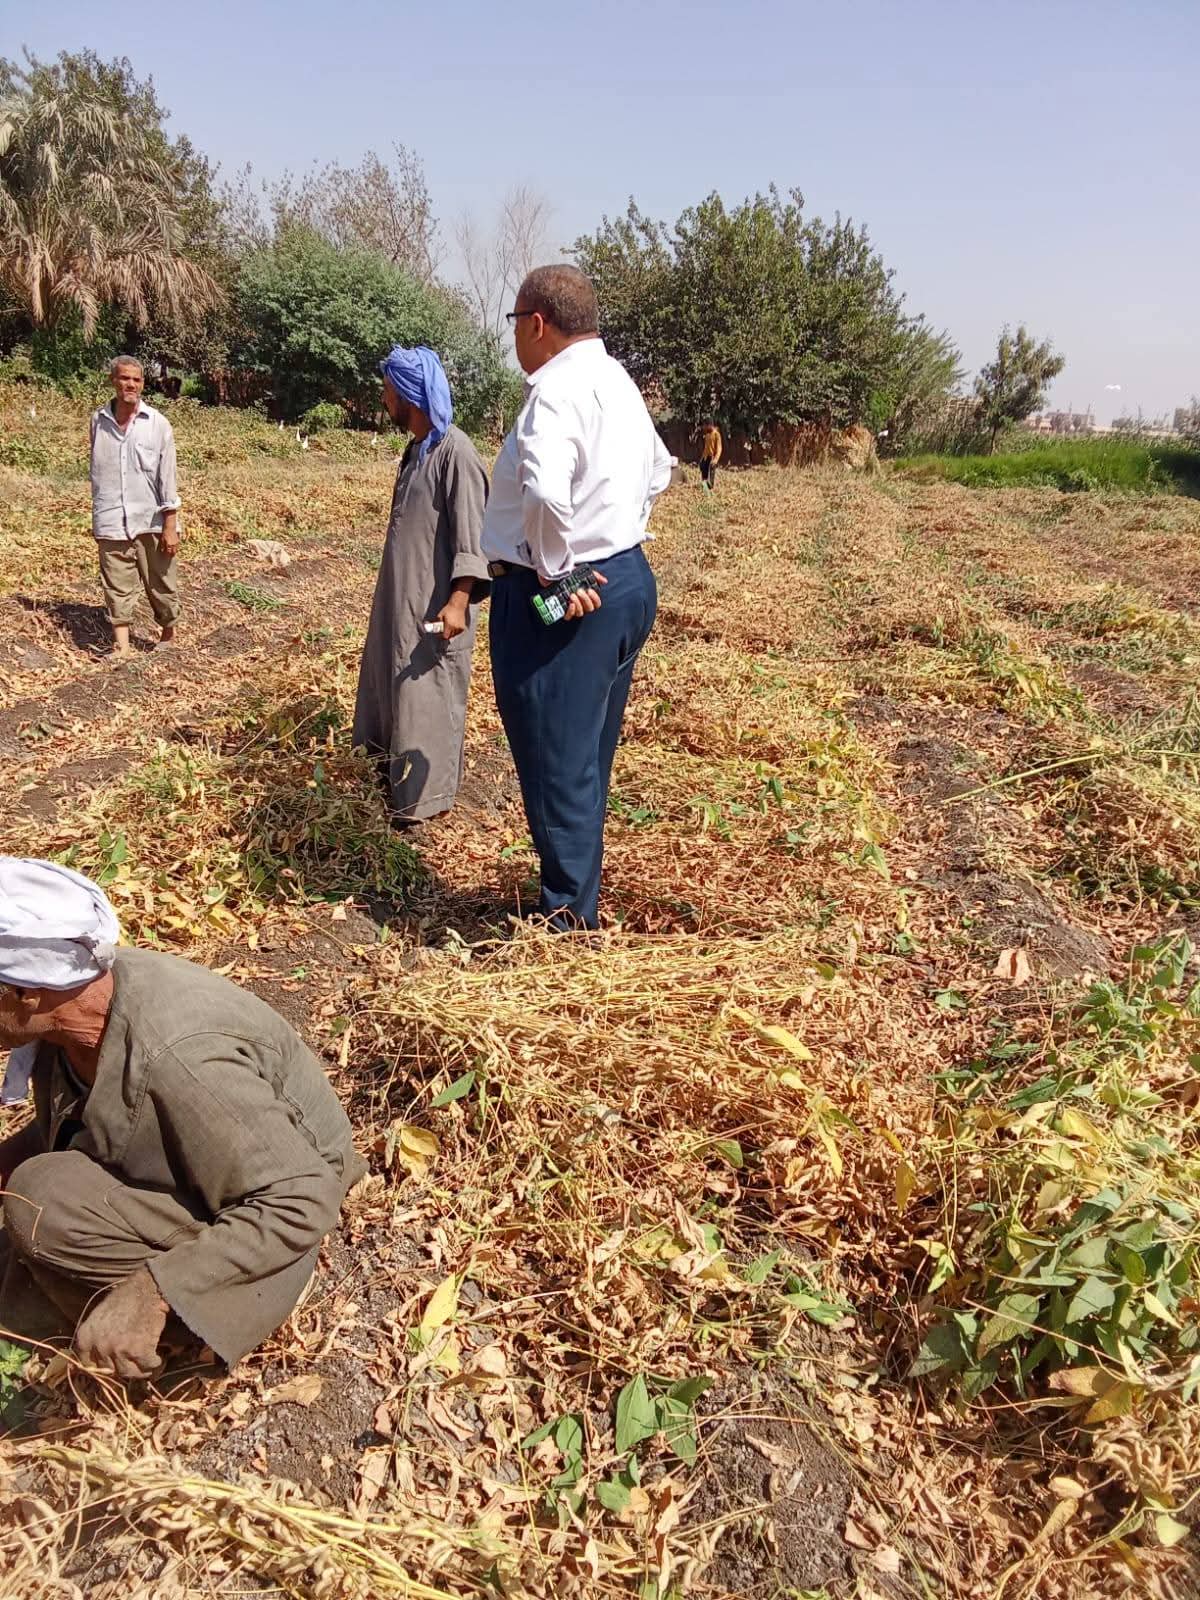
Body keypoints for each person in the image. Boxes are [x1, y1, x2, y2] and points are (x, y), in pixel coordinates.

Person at [0, 857, 366, 1376]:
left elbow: (301, 1197)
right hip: (229, 1174)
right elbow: (77, 1115)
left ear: (23, 992)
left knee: (40, 1203)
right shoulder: (74, 1006)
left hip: (277, 1232)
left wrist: (155, 1291)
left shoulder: (179, 1060)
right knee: (29, 1186)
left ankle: (175, 1342)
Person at [482, 265, 672, 930]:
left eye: (513, 324)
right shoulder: (616, 382)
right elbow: (660, 469)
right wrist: (611, 532)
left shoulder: (555, 391)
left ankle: (565, 925)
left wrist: (558, 571)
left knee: (554, 758)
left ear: (536, 323)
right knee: (585, 755)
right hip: (623, 578)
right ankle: (575, 899)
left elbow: (545, 493)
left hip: (566, 596)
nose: (514, 338)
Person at [353, 347, 491, 823]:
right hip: (400, 600)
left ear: (408, 394)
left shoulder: (457, 452)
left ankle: (422, 803)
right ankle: (386, 786)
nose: (383, 397)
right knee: (388, 691)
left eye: (388, 389)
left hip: (435, 609)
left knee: (426, 700)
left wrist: (458, 601)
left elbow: (475, 539)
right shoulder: (416, 451)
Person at [89, 356, 182, 659]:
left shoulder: (157, 424)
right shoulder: (98, 421)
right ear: (112, 380)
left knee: (161, 583)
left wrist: (170, 525)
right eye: (124, 378)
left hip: (151, 520)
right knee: (116, 583)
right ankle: (123, 646)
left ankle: (168, 633)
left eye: (136, 380)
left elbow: (166, 477)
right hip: (112, 517)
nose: (130, 384)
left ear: (143, 384)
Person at [699, 421, 723, 492]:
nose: (704, 428)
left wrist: (716, 459)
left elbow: (719, 448)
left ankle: (710, 490)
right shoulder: (707, 435)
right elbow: (706, 448)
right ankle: (704, 489)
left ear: (710, 425)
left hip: (712, 457)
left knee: (711, 475)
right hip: (706, 457)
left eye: (705, 426)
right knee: (704, 473)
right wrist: (702, 458)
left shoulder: (716, 434)